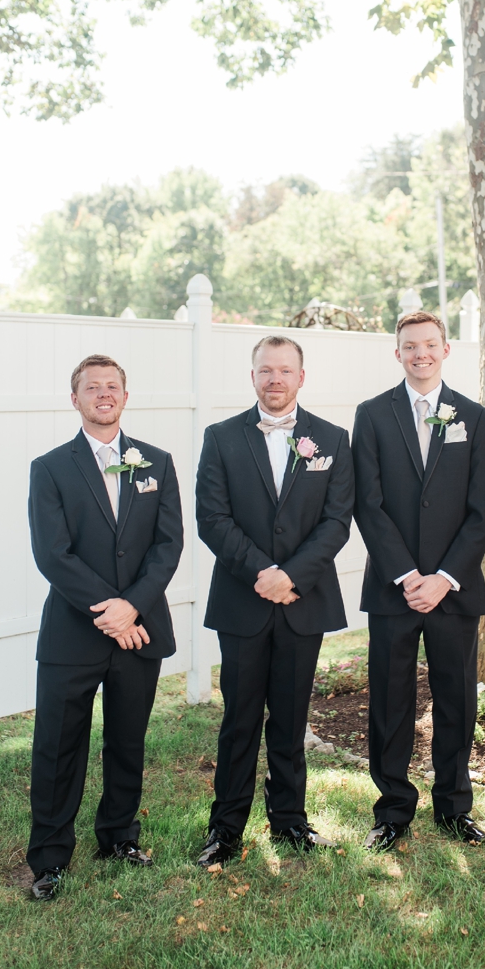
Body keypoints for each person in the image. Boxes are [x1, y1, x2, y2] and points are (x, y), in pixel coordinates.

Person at [22, 354, 185, 900]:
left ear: (125, 395)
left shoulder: (155, 462)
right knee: (58, 745)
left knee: (127, 741)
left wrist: (132, 606)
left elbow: (168, 548)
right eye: (92, 387)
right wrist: (110, 611)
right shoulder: (50, 467)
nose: (103, 394)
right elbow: (53, 554)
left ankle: (118, 836)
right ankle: (49, 858)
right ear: (76, 399)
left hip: (139, 631)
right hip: (74, 632)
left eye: (112, 385)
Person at [193, 335, 354, 865]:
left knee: (290, 718)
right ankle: (226, 830)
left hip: (301, 600)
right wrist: (262, 571)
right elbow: (212, 519)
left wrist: (292, 575)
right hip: (244, 600)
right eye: (266, 370)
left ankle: (290, 822)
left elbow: (336, 521)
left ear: (301, 378)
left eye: (285, 370)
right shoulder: (221, 437)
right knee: (239, 718)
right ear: (253, 376)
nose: (275, 379)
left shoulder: (331, 438)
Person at [351, 310, 485, 852]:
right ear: (397, 354)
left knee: (456, 699)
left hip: (454, 590)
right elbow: (367, 504)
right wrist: (408, 574)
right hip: (394, 588)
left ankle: (455, 806)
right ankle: (391, 810)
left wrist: (444, 577)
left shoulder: (474, 418)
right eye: (410, 346)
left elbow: (481, 511)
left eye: (430, 345)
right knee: (389, 701)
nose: (421, 354)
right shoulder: (371, 416)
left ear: (445, 350)